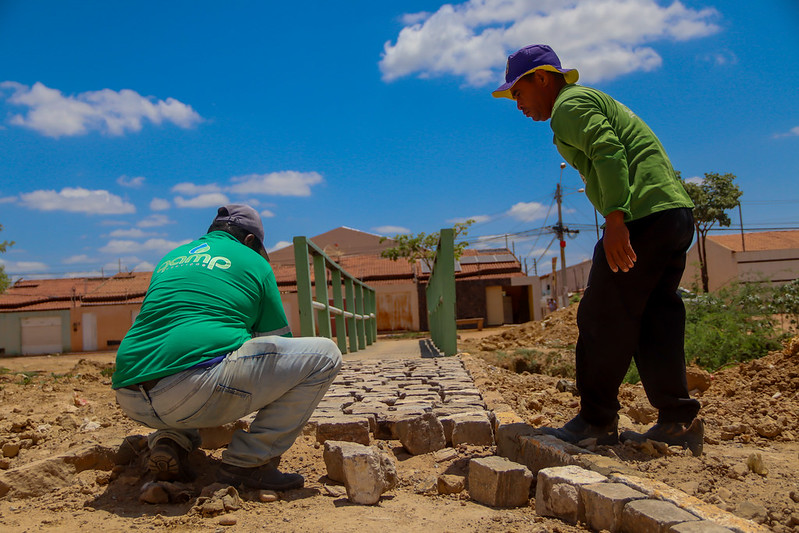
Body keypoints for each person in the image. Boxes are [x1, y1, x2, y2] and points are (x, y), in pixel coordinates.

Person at [492, 44, 703, 455]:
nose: (517, 105)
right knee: (656, 317)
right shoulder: (587, 100)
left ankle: (597, 420)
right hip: (672, 212)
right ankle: (677, 420)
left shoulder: (568, 106)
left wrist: (616, 218)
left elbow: (608, 151)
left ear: (542, 78)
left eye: (518, 92)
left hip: (642, 215)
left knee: (602, 315)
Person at [112, 204, 342, 489]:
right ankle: (248, 462)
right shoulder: (253, 260)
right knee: (325, 356)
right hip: (190, 390)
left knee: (194, 358)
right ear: (250, 240)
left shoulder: (171, 258)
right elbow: (278, 341)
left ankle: (171, 441)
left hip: (129, 394)